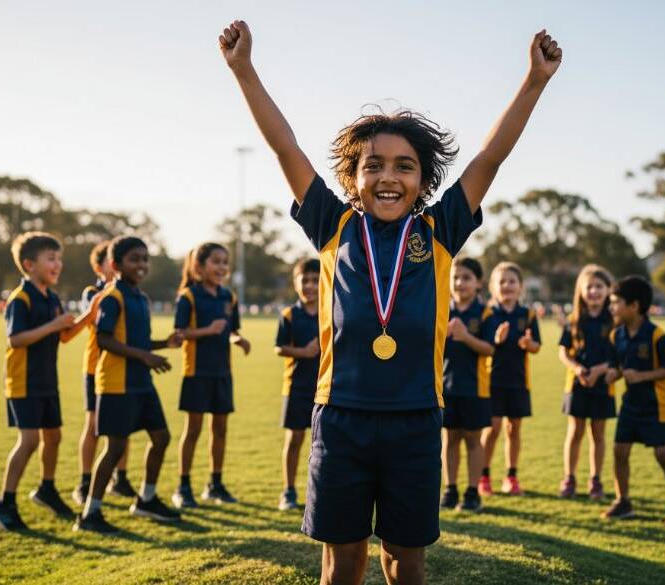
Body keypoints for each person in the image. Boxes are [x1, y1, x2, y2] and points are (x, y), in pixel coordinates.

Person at [218, 17, 561, 585]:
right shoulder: (332, 224)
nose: (387, 177)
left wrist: (534, 82)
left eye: (405, 166)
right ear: (351, 178)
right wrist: (244, 70)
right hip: (342, 419)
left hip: (416, 421)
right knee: (342, 562)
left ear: (422, 180)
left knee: (406, 562)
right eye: (372, 165)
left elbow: (488, 159)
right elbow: (285, 146)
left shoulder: (441, 229)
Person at [74, 236, 183, 533]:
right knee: (115, 448)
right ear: (115, 264)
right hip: (115, 384)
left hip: (141, 383)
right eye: (134, 259)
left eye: (145, 259)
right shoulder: (112, 297)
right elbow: (104, 339)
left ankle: (146, 499)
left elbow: (138, 341)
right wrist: (145, 357)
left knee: (161, 437)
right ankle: (90, 514)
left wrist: (165, 344)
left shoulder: (141, 299)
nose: (142, 265)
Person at [0, 232, 91, 531]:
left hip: (46, 381)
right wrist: (54, 325)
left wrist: (88, 316)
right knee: (30, 440)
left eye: (59, 259)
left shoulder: (52, 297)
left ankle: (46, 489)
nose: (58, 264)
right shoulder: (20, 299)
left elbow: (64, 335)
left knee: (53, 437)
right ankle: (3, 503)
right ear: (30, 264)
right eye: (51, 259)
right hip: (23, 382)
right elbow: (16, 339)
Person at [602, 276, 665, 525]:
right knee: (619, 451)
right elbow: (616, 366)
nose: (611, 308)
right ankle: (623, 501)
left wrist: (642, 376)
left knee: (663, 454)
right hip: (630, 403)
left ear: (634, 306)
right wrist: (612, 374)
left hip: (656, 404)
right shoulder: (615, 336)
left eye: (615, 303)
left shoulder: (656, 336)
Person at [171, 243, 251, 509]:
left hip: (222, 372)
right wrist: (206, 331)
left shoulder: (229, 297)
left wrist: (238, 339)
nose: (222, 267)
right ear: (199, 266)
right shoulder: (188, 297)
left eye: (225, 262)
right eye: (216, 262)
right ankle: (183, 486)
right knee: (192, 429)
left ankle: (215, 484)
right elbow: (179, 334)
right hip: (196, 372)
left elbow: (231, 330)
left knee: (220, 429)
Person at [72, 240, 134, 506]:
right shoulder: (93, 292)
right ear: (102, 267)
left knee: (124, 425)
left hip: (122, 366)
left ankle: (121, 478)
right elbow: (94, 316)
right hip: (96, 368)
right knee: (94, 425)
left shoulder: (128, 293)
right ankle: (85, 481)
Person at [479, 262, 541, 497]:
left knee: (514, 429)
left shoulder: (528, 315)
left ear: (521, 286)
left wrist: (529, 344)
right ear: (493, 287)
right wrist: (497, 338)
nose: (507, 286)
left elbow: (536, 346)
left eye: (512, 281)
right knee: (492, 429)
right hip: (492, 381)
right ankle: (483, 476)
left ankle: (511, 476)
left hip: (518, 382)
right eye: (501, 282)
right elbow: (486, 345)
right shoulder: (488, 314)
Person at [556, 264, 615, 500]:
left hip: (603, 385)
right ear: (581, 291)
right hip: (576, 384)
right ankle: (569, 478)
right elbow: (563, 352)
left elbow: (617, 355)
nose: (594, 291)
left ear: (608, 290)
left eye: (599, 286)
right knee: (575, 432)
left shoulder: (614, 320)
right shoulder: (574, 320)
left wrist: (600, 370)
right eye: (589, 286)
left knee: (598, 435)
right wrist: (578, 368)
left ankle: (596, 480)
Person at [441, 257, 495, 513]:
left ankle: (473, 492)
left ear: (478, 283)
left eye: (466, 278)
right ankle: (450, 489)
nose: (459, 283)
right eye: (455, 278)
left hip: (475, 388)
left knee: (474, 440)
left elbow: (490, 348)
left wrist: (465, 337)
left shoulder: (485, 313)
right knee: (450, 438)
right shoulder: (441, 308)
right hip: (445, 388)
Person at [274, 258, 320, 511]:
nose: (310, 285)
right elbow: (279, 347)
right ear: (296, 282)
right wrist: (303, 352)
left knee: (321, 443)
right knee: (294, 439)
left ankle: (317, 489)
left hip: (323, 389)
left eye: (315, 280)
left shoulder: (330, 311)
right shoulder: (289, 314)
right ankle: (288, 491)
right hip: (295, 387)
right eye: (305, 280)